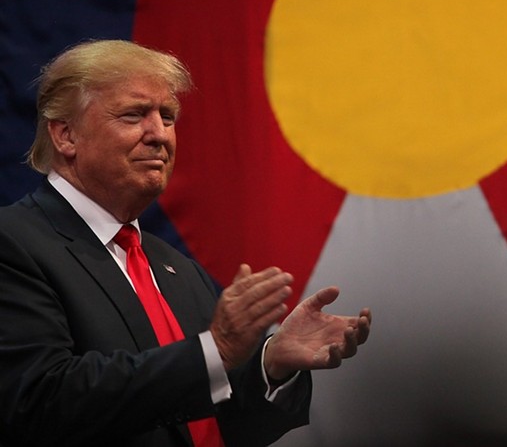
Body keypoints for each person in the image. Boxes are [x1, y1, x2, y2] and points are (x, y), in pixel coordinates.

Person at [0, 39, 372, 447]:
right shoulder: (14, 243)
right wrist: (217, 350)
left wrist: (270, 364)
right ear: (66, 134)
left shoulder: (176, 268)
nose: (159, 134)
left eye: (168, 116)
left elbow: (207, 427)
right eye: (134, 115)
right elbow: (37, 403)